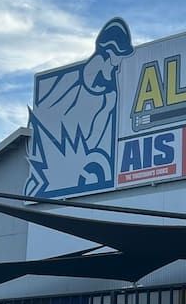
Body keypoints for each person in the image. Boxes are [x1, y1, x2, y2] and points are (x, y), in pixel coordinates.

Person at [25, 18, 134, 196]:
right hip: (50, 180)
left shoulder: (110, 98)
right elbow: (41, 122)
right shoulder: (64, 83)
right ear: (107, 52)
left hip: (77, 174)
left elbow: (91, 144)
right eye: (115, 61)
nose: (116, 68)